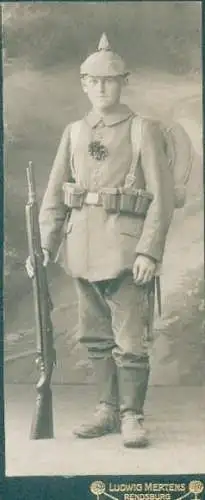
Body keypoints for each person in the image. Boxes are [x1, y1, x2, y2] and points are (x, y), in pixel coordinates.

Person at [26, 33, 174, 447]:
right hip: (81, 249)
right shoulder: (74, 132)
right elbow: (56, 193)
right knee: (94, 336)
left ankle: (131, 415)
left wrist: (149, 250)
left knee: (130, 339)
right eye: (94, 80)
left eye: (110, 80)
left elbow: (161, 199)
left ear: (123, 82)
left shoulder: (143, 129)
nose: (102, 87)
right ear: (84, 84)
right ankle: (106, 410)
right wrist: (45, 246)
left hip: (127, 251)